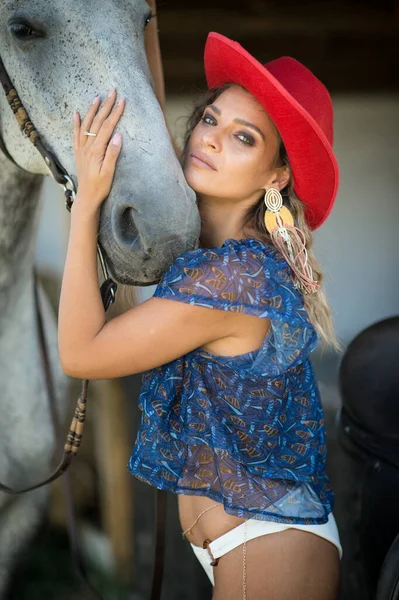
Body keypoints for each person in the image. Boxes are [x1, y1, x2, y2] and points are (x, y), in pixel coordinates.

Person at [60, 31, 342, 600]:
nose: (210, 140)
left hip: (268, 545)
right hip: (248, 544)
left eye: (243, 138)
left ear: (275, 176)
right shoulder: (214, 260)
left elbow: (80, 352)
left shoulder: (234, 278)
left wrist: (85, 201)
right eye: (210, 119)